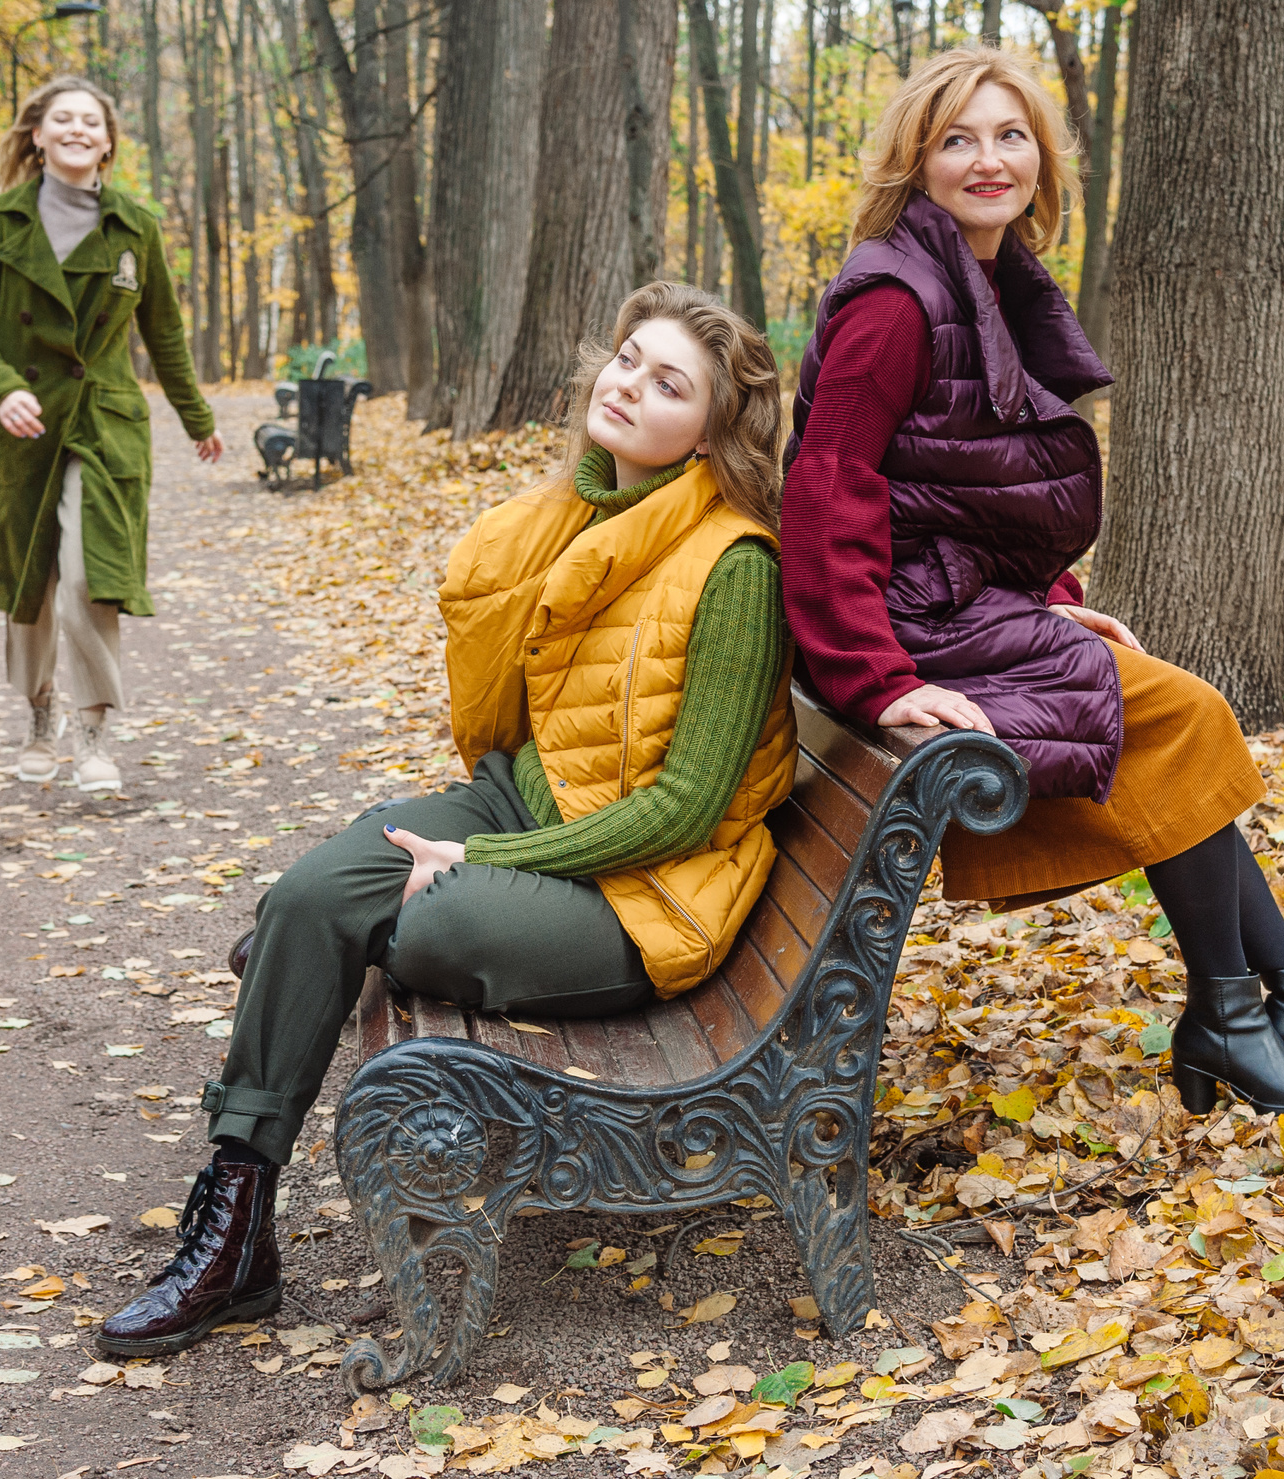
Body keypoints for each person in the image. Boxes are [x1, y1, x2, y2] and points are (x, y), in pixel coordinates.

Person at [95, 283, 798, 1358]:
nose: (628, 386)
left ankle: (312, 965)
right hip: (528, 804)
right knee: (307, 897)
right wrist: (486, 834)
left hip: (646, 894)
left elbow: (684, 810)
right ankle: (236, 1225)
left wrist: (484, 853)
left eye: (669, 385)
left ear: (709, 430)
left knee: (426, 921)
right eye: (627, 359)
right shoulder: (584, 516)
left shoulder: (733, 562)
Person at [781, 45, 1284, 1115]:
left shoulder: (980, 279)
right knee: (1184, 716)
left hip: (953, 604)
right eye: (957, 139)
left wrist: (1046, 601)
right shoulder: (897, 298)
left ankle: (1280, 997)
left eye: (1011, 136)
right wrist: (880, 680)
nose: (989, 160)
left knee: (1168, 723)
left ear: (1042, 157)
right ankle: (1245, 1007)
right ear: (915, 160)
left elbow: (963, 486)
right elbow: (825, 490)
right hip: (909, 629)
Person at [0, 76, 223, 793]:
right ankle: (39, 712)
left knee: (88, 576)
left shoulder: (136, 226)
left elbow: (163, 333)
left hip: (104, 425)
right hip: (23, 426)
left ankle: (94, 731)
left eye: (90, 121)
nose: (77, 129)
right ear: (37, 137)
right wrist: (3, 385)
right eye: (62, 119)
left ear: (107, 143)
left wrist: (197, 419)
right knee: (30, 582)